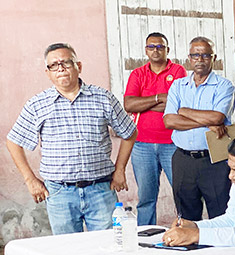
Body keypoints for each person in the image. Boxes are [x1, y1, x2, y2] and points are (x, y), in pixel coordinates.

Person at [7, 42, 137, 234]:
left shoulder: (103, 98)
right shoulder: (37, 105)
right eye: (54, 65)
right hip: (59, 193)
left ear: (79, 67)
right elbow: (14, 142)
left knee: (107, 248)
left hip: (101, 190)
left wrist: (120, 170)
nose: (61, 68)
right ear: (48, 72)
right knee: (67, 252)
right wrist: (30, 180)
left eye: (66, 63)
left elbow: (129, 132)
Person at [164, 36, 235, 221]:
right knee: (186, 217)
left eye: (205, 55)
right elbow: (169, 121)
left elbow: (217, 117)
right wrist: (207, 122)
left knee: (220, 215)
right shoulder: (178, 86)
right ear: (189, 58)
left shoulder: (224, 86)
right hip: (183, 160)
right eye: (195, 55)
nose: (200, 59)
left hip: (214, 161)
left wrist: (184, 110)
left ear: (214, 57)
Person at [124, 32, 187, 225]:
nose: (156, 50)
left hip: (172, 143)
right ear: (145, 50)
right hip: (142, 145)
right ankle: (145, 236)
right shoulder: (138, 74)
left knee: (182, 194)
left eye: (160, 46)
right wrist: (160, 98)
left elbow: (178, 104)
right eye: (151, 47)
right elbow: (129, 105)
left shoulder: (178, 71)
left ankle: (184, 230)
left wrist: (144, 103)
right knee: (146, 198)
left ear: (168, 49)